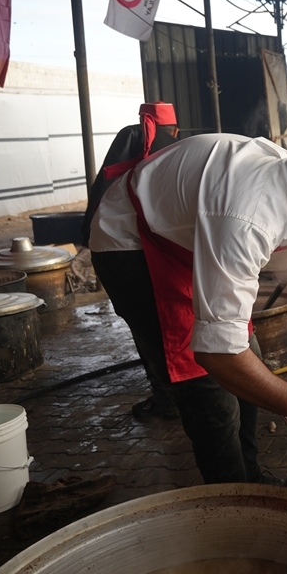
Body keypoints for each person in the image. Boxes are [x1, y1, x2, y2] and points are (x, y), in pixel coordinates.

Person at [88, 108, 287, 484]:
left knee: (250, 365)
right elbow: (218, 353)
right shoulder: (251, 214)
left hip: (190, 238)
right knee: (210, 395)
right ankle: (233, 498)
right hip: (131, 244)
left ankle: (252, 480)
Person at [83, 101, 182, 421]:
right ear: (175, 130)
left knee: (148, 326)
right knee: (159, 325)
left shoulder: (134, 146)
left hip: (110, 247)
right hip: (125, 250)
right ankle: (172, 399)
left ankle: (171, 394)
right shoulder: (172, 152)